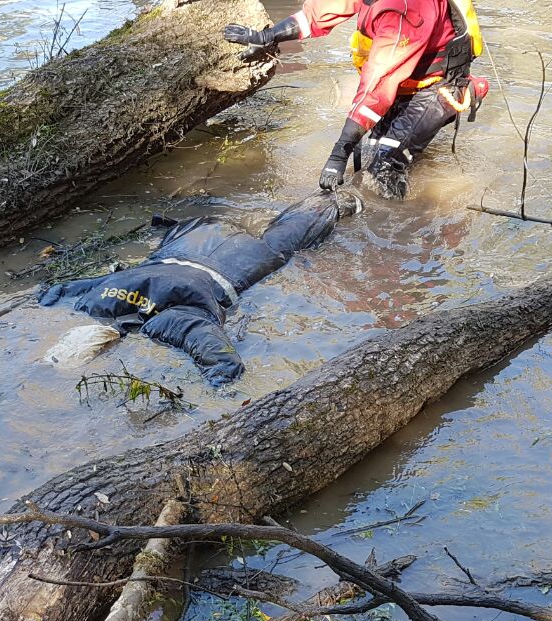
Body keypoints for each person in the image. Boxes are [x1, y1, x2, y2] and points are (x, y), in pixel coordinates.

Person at [40, 191, 362, 384]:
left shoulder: (168, 322)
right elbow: (53, 293)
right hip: (190, 236)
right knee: (287, 233)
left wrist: (220, 390)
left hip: (236, 261)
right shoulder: (98, 295)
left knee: (286, 242)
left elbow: (225, 363)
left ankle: (336, 204)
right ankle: (334, 199)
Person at [223, 0, 489, 199]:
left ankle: (392, 240)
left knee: (382, 168)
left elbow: (378, 85)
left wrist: (339, 152)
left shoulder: (406, 6)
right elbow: (319, 13)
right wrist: (268, 36)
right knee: (369, 151)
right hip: (403, 83)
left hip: (435, 86)